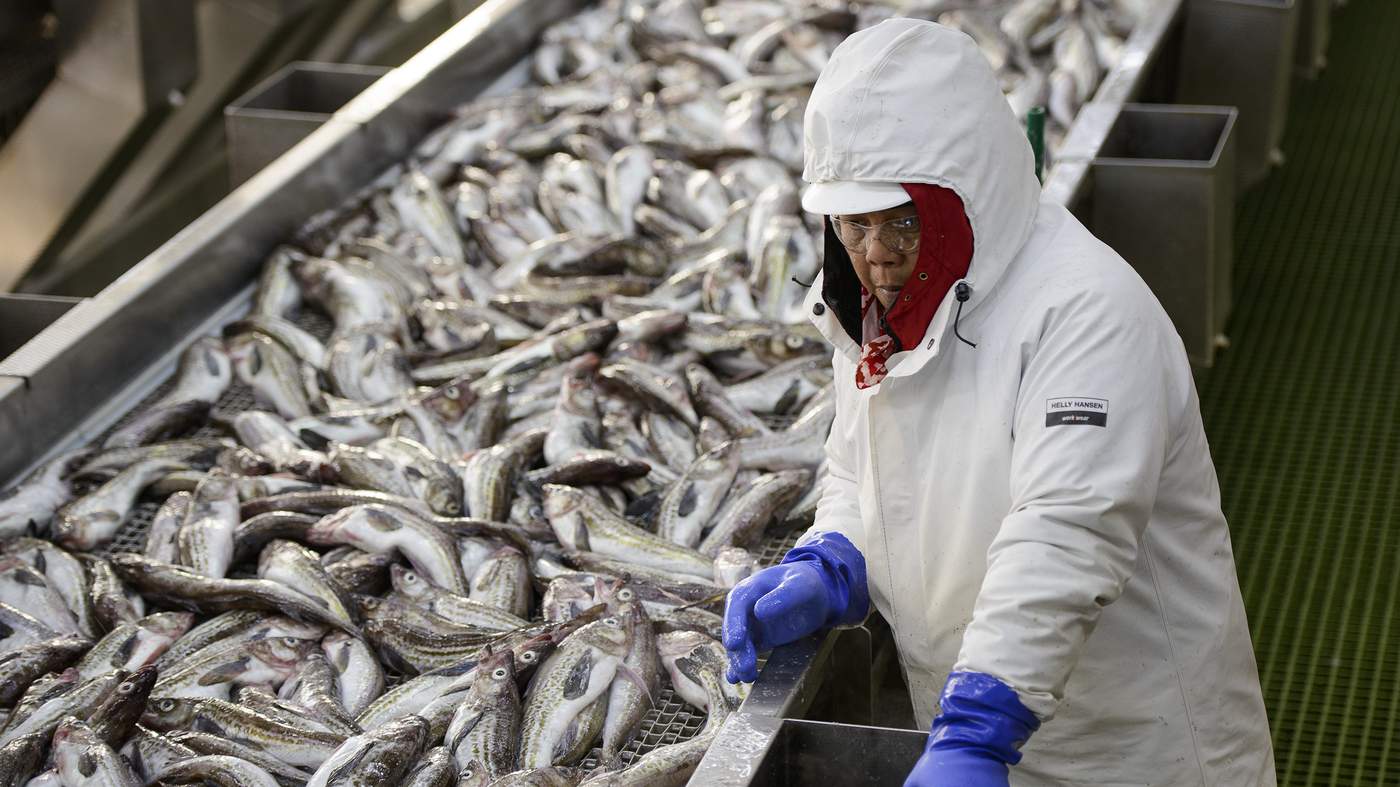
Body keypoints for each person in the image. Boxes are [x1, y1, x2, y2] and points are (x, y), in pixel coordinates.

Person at [721, 19, 1277, 787]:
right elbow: (862, 462)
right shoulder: (889, 309)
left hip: (1131, 750)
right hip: (977, 728)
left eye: (903, 219)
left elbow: (1067, 531)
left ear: (966, 195)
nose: (875, 251)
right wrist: (835, 552)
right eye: (853, 222)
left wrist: (979, 725)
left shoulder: (1085, 311)